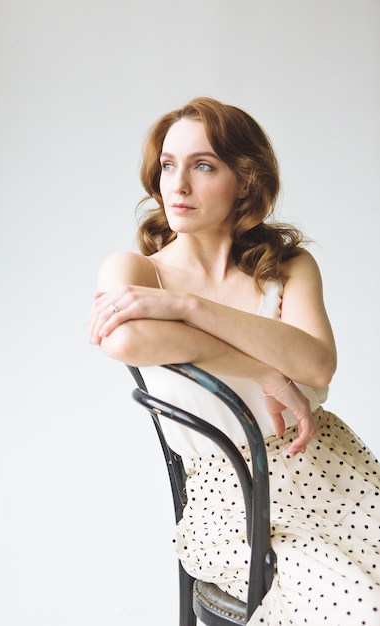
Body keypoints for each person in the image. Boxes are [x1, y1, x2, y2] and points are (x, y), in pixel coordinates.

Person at [88, 97, 380, 625]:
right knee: (362, 603)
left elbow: (317, 367)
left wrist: (188, 309)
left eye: (203, 166)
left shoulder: (287, 267)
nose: (176, 186)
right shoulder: (135, 270)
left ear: (246, 181)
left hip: (336, 472)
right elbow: (125, 341)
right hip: (235, 504)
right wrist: (265, 369)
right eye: (168, 165)